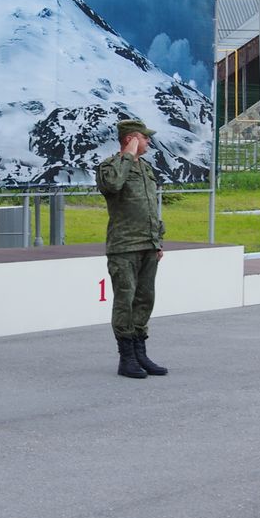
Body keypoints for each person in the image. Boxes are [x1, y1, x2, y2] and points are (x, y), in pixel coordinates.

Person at [96, 118, 169, 379]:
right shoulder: (110, 167)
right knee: (125, 301)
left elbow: (150, 207)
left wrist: (156, 242)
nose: (148, 141)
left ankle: (140, 353)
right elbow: (113, 185)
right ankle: (126, 358)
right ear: (130, 139)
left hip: (147, 245)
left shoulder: (146, 168)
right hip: (124, 246)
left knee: (144, 300)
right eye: (144, 137)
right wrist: (127, 155)